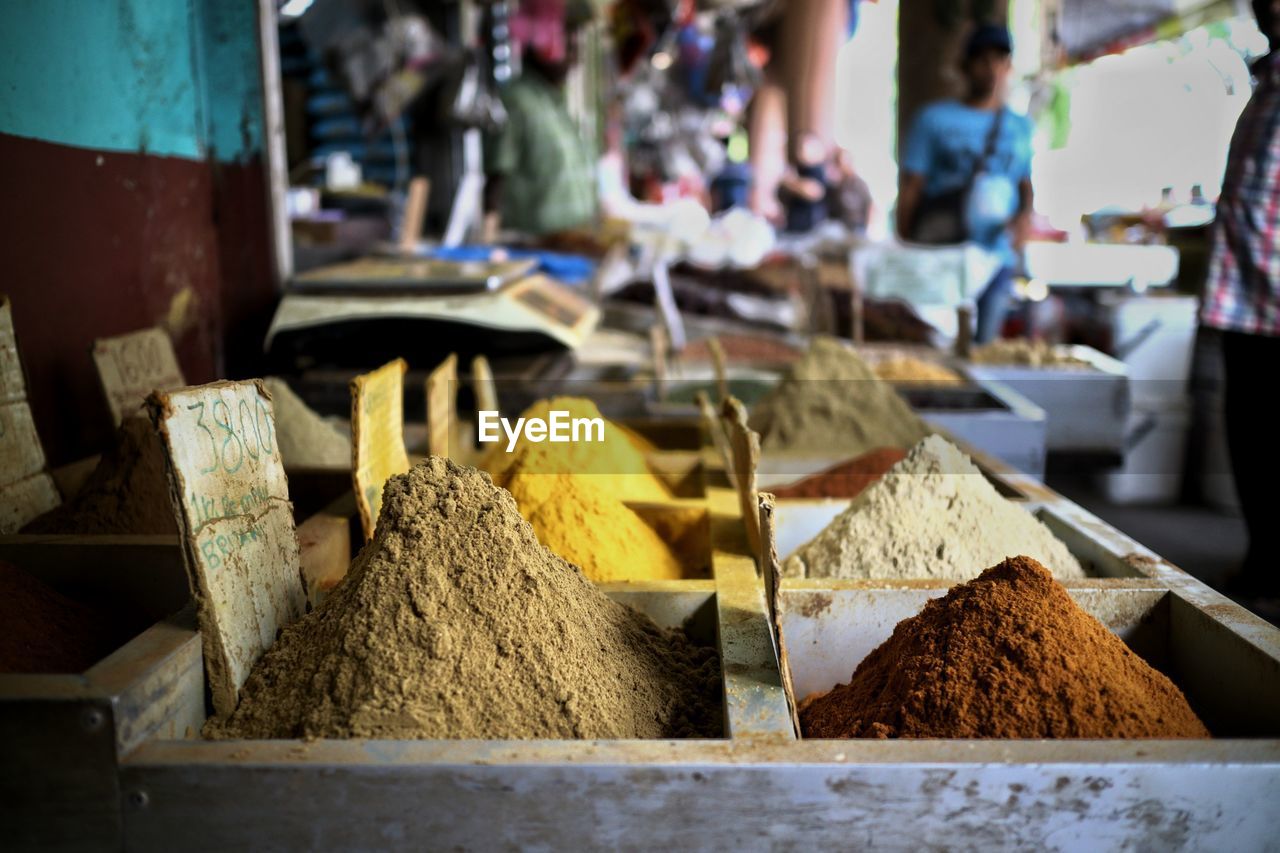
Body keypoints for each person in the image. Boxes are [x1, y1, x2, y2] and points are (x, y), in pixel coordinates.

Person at [1201, 0, 1279, 599]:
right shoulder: (1266, 79)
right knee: (1251, 436)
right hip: (1243, 296)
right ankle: (1264, 561)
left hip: (1274, 296)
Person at [896, 24, 1034, 343]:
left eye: (1000, 60)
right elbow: (913, 185)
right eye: (982, 60)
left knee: (983, 349)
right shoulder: (934, 120)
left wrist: (1024, 218)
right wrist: (906, 243)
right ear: (966, 66)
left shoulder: (1020, 127)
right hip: (943, 255)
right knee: (936, 344)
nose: (991, 69)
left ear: (1009, 67)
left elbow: (1025, 183)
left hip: (996, 257)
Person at [485, 0, 597, 236]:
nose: (575, 50)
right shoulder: (516, 101)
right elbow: (496, 179)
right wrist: (489, 241)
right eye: (566, 38)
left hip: (573, 246)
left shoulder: (556, 103)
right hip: (535, 250)